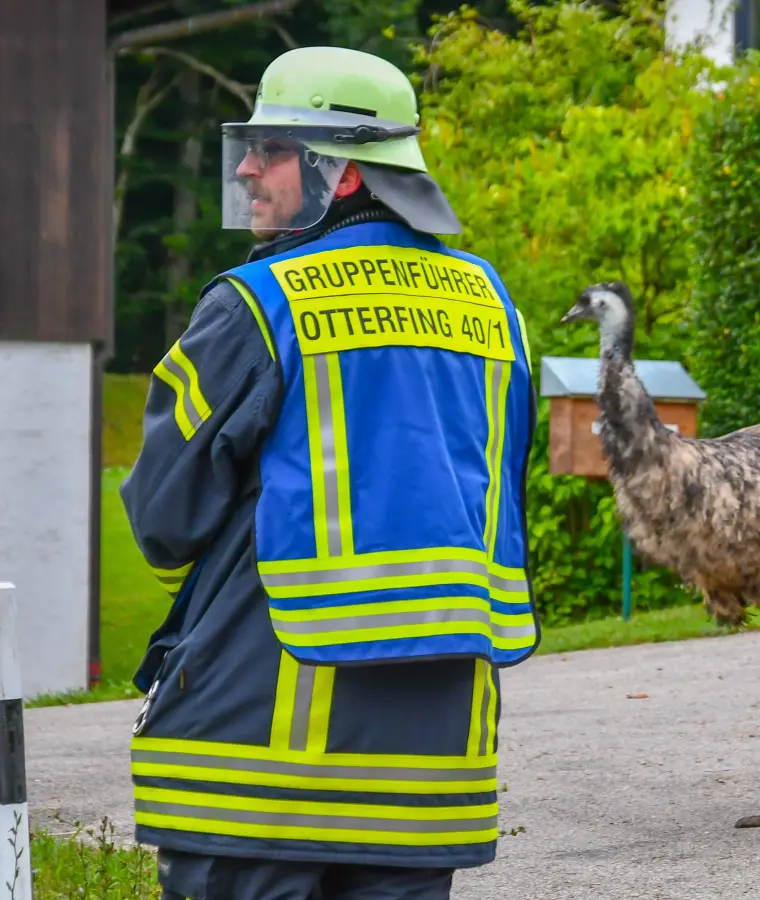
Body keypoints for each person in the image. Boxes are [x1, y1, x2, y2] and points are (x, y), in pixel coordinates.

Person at [119, 45, 540, 900]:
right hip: (432, 778)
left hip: (258, 771)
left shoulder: (257, 303)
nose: (245, 167)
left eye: (270, 150)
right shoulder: (497, 309)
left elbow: (165, 517)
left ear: (340, 174)